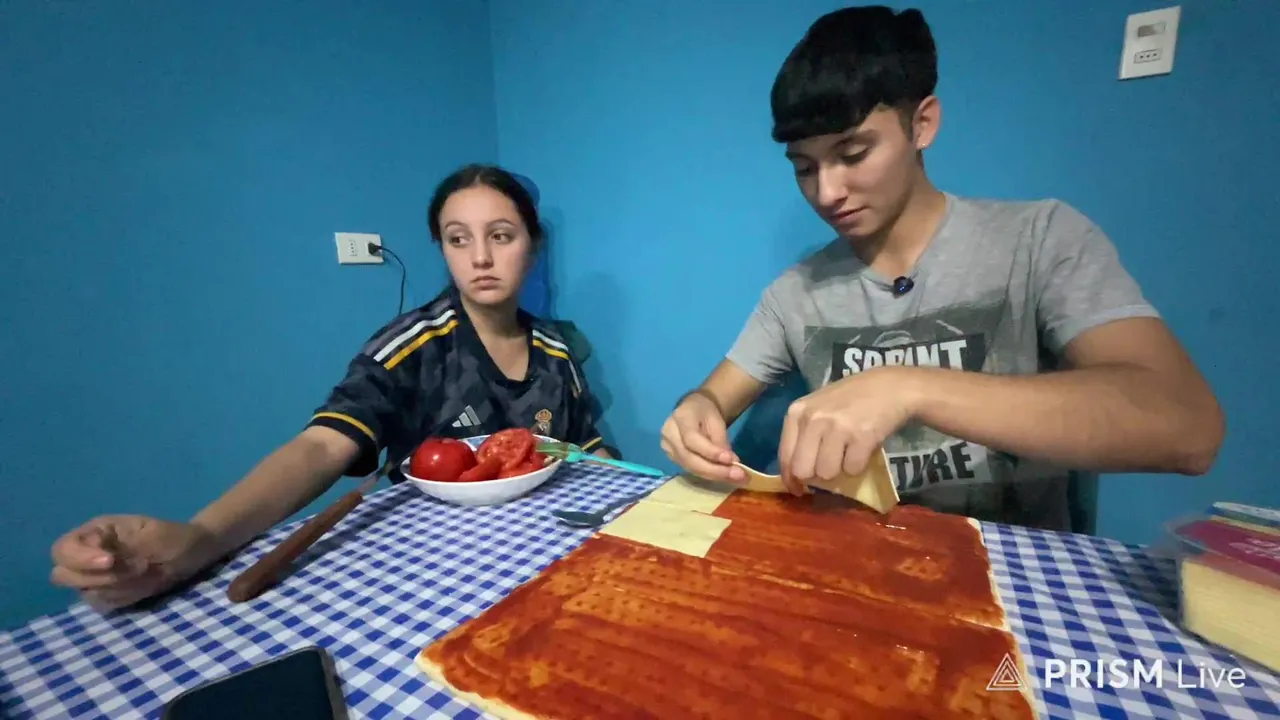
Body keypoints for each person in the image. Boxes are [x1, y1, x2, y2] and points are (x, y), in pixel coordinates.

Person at [659, 6, 1224, 531]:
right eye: (805, 168)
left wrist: (907, 387)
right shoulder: (795, 293)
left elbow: (1187, 427)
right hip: (856, 560)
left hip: (1006, 573)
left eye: (853, 154)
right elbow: (711, 398)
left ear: (923, 124)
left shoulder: (1039, 241)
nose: (827, 192)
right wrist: (696, 413)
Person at [50, 164, 613, 611]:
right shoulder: (414, 345)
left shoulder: (556, 349)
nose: (481, 257)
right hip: (435, 576)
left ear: (532, 244)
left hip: (548, 560)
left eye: (501, 236)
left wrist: (637, 503)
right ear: (442, 249)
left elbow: (586, 446)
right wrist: (200, 538)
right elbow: (323, 444)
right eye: (458, 239)